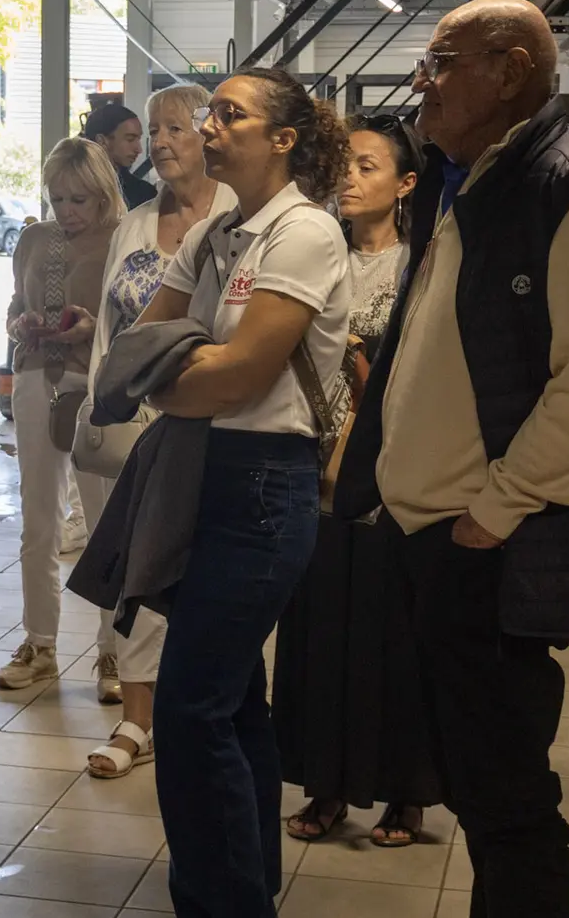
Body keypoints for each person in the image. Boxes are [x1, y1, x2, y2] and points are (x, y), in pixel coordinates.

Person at [334, 0, 569, 918]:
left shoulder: (561, 182)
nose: (421, 82)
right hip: (435, 537)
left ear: (511, 71)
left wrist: (497, 508)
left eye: (440, 62)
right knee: (480, 788)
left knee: (508, 800)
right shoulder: (471, 175)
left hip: (483, 547)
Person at [134, 67, 353, 916]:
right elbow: (141, 345)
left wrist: (174, 377)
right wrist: (181, 373)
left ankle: (216, 901)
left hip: (266, 486)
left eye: (230, 114)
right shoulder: (220, 232)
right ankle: (246, 888)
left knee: (190, 709)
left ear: (283, 139)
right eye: (207, 113)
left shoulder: (303, 234)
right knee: (232, 703)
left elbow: (237, 377)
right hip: (204, 479)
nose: (207, 126)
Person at [276, 114, 442, 848]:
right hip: (311, 468)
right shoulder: (317, 255)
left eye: (368, 166)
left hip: (393, 472)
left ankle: (406, 792)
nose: (349, 177)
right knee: (320, 629)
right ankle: (328, 782)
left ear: (406, 184)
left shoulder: (423, 266)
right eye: (344, 164)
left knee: (395, 634)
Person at [82, 82, 237, 779]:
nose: (160, 142)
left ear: (208, 133)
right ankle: (136, 720)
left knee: (210, 583)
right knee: (141, 576)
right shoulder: (135, 226)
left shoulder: (244, 219)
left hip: (221, 426)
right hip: (144, 428)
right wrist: (100, 401)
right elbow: (111, 336)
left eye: (174, 127)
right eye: (151, 130)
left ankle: (211, 711)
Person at [0, 138, 122, 693]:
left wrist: (91, 328)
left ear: (101, 194)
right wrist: (21, 325)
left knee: (104, 526)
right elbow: (12, 310)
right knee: (38, 520)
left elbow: (133, 323)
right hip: (34, 381)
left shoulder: (124, 238)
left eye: (78, 199)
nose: (67, 211)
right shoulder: (33, 239)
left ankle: (113, 652)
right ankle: (39, 644)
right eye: (58, 199)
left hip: (95, 388)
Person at [82, 101, 159, 210]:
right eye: (130, 139)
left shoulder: (144, 194)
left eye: (138, 139)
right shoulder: (72, 185)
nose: (139, 149)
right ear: (102, 141)